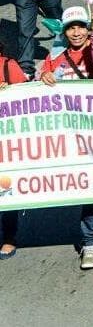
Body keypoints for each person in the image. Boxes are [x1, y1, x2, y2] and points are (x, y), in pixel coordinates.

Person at [40, 6, 93, 269]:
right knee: (83, 184)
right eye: (72, 27)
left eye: (81, 26)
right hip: (67, 133)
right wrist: (44, 77)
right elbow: (43, 87)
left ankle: (90, 241)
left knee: (89, 181)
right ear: (64, 31)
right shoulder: (55, 57)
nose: (77, 32)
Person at [0, 48, 27, 257]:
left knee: (5, 191)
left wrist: (9, 91)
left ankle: (8, 237)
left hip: (6, 144)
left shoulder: (8, 66)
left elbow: (30, 103)